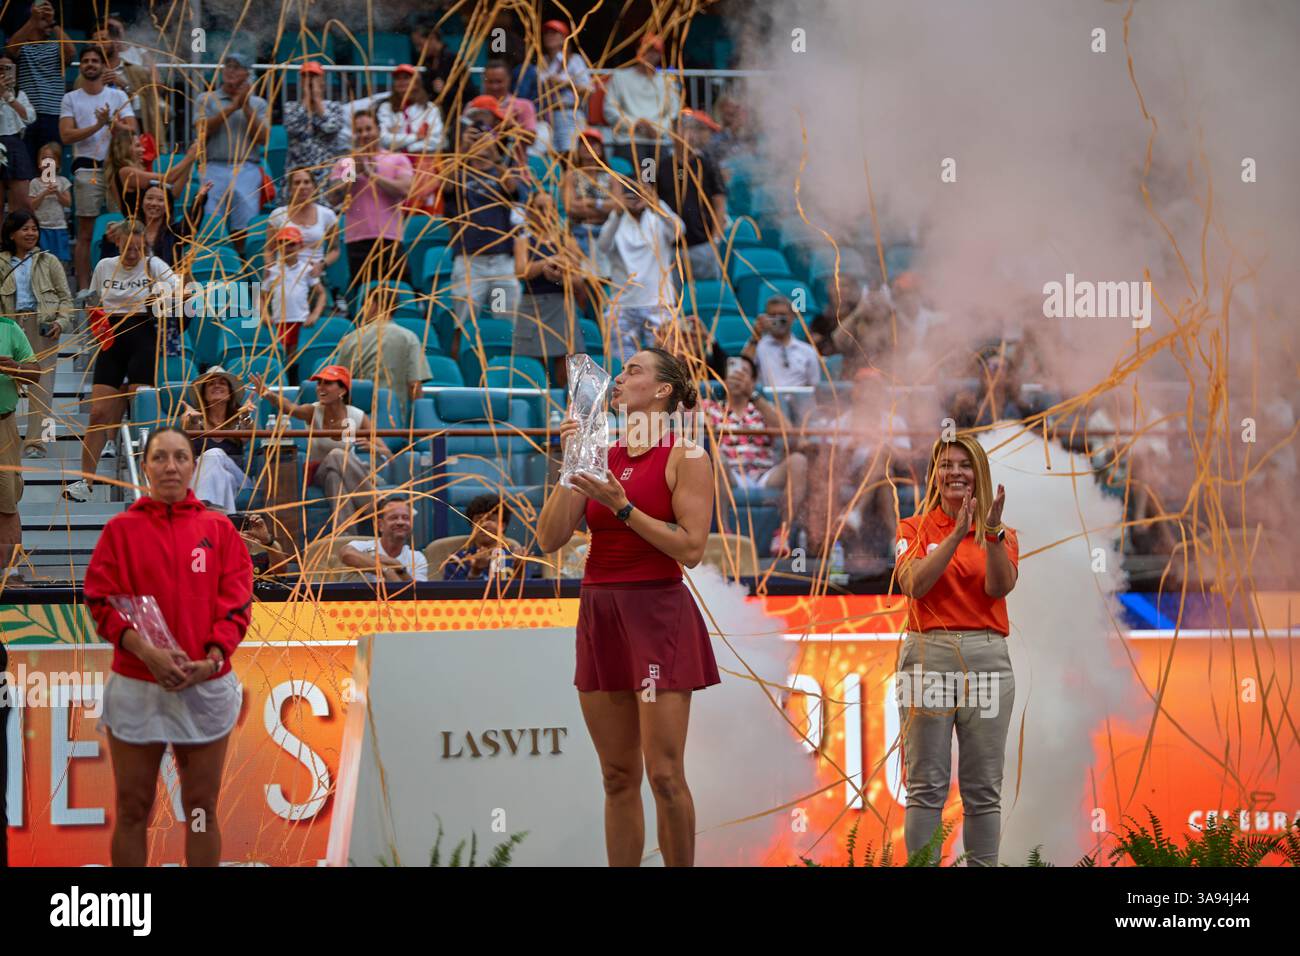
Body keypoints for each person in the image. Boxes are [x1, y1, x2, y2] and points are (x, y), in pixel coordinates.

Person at [536, 347, 717, 867]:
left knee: (664, 774)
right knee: (617, 776)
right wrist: (570, 466)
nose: (619, 378)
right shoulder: (598, 454)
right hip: (601, 611)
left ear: (662, 391)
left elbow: (690, 549)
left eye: (634, 370)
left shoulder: (688, 456)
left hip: (656, 614)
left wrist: (623, 507)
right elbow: (549, 538)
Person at [83, 426, 253, 867]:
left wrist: (212, 660)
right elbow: (101, 602)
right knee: (133, 809)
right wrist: (148, 653)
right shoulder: (121, 531)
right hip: (138, 686)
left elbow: (237, 605)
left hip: (204, 685)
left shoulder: (219, 530)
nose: (171, 466)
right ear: (145, 467)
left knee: (200, 811)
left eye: (180, 457)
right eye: (160, 458)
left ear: (194, 467)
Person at [893, 433, 1018, 867]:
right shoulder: (912, 528)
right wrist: (954, 536)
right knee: (926, 784)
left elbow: (999, 587)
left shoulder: (1000, 532)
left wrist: (991, 533)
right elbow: (912, 584)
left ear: (979, 473)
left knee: (983, 788)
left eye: (964, 464)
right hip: (929, 655)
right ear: (935, 474)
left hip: (986, 657)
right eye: (946, 464)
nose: (955, 472)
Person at [64, 221, 181, 502]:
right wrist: (98, 329)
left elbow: (181, 291)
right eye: (128, 248)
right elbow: (93, 303)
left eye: (138, 249)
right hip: (111, 339)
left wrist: (161, 295)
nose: (132, 254)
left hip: (143, 335)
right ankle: (85, 482)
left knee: (139, 410)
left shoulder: (154, 265)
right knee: (98, 414)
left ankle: (149, 483)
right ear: (118, 242)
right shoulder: (105, 266)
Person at [252, 364, 388, 532]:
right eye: (319, 383)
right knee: (336, 454)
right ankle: (379, 505)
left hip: (347, 473)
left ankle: (345, 538)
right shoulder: (313, 410)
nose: (321, 388)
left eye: (327, 383)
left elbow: (386, 452)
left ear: (342, 391)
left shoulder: (357, 415)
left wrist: (373, 447)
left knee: (335, 480)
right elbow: (288, 407)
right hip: (318, 472)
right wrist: (268, 394)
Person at [440, 95, 525, 360]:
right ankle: (459, 374)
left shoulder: (503, 168)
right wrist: (464, 152)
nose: (479, 138)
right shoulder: (459, 168)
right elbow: (445, 186)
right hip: (469, 262)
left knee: (506, 324)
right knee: (462, 325)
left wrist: (493, 152)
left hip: (501, 261)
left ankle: (507, 374)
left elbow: (514, 190)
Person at [700, 354, 807, 556]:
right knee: (715, 460)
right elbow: (686, 422)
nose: (738, 377)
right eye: (733, 371)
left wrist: (754, 395)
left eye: (744, 373)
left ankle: (782, 535)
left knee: (799, 460)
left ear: (753, 380)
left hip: (765, 474)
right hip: (729, 475)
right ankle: (725, 535)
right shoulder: (710, 406)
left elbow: (789, 435)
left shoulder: (762, 408)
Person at [59, 44, 136, 293]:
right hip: (86, 169)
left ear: (104, 65)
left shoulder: (118, 96)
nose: (90, 64)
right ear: (80, 66)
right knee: (85, 232)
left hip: (117, 169)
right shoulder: (71, 98)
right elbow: (66, 135)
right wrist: (99, 125)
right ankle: (84, 288)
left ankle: (121, 283)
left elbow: (132, 127)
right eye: (86, 61)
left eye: (95, 60)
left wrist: (110, 123)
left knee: (121, 227)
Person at [0, 209, 72, 459]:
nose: (31, 233)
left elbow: (65, 298)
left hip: (42, 327)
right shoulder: (0, 262)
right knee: (6, 383)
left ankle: (35, 444)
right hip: (8, 326)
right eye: (25, 228)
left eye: (34, 228)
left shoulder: (49, 260)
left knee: (41, 386)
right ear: (11, 233)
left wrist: (61, 323)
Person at [597, 176, 684, 363]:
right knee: (624, 365)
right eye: (630, 192)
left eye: (640, 192)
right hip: (624, 305)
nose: (635, 197)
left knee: (663, 365)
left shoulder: (658, 219)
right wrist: (618, 212)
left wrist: (656, 203)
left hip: (658, 303)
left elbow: (680, 230)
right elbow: (603, 245)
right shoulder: (616, 220)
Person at [327, 110, 413, 288]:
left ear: (378, 130)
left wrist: (370, 174)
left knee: (394, 295)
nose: (364, 134)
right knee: (362, 297)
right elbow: (333, 198)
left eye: (368, 129)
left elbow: (405, 190)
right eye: (359, 131)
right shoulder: (346, 163)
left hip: (390, 239)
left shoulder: (397, 158)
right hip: (357, 241)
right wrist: (353, 174)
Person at [194, 53, 269, 254]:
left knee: (243, 225)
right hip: (213, 166)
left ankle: (242, 268)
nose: (230, 70)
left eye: (237, 66)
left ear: (247, 74)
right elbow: (201, 130)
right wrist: (231, 108)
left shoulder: (258, 103)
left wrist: (245, 107)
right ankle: (213, 265)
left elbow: (263, 138)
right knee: (210, 221)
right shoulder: (207, 99)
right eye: (227, 65)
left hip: (247, 168)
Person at [513, 190, 586, 388]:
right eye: (540, 208)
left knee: (566, 374)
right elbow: (521, 271)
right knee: (534, 374)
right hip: (532, 307)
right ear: (530, 212)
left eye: (551, 208)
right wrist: (548, 262)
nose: (546, 213)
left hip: (561, 306)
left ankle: (565, 415)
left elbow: (579, 280)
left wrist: (560, 277)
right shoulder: (523, 240)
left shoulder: (567, 240)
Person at [335, 287, 432, 419]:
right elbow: (414, 385)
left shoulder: (350, 339)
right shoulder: (409, 338)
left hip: (355, 420)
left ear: (374, 305)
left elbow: (339, 383)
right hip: (394, 420)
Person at [657, 109, 727, 282]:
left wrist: (715, 239)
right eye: (682, 128)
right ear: (672, 133)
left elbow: (719, 202)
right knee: (674, 300)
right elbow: (648, 194)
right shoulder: (659, 165)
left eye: (691, 129)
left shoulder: (708, 164)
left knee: (707, 295)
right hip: (671, 247)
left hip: (702, 245)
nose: (687, 134)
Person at [0, 293, 40, 581]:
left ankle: (11, 570)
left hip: (3, 424)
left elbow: (35, 372)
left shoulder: (10, 329)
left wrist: (14, 368)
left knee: (7, 497)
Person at [179, 367, 256, 513]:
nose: (217, 385)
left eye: (222, 383)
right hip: (211, 480)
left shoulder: (239, 420)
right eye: (211, 383)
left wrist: (246, 416)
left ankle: (199, 508)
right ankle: (222, 521)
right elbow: (189, 429)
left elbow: (248, 433)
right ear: (204, 394)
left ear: (229, 394)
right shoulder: (194, 420)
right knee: (222, 477)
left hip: (239, 481)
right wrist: (192, 421)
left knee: (214, 454)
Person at [80, 24, 167, 147]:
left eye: (103, 40)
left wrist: (124, 86)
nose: (98, 45)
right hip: (96, 142)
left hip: (131, 142)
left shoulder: (137, 72)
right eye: (94, 42)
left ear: (116, 42)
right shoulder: (84, 77)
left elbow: (146, 109)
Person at [260, 225, 326, 380]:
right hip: (279, 321)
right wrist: (265, 314)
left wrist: (315, 314)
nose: (287, 248)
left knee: (296, 358)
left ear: (300, 246)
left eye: (291, 244)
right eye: (282, 243)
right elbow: (261, 296)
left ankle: (294, 386)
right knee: (281, 357)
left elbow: (322, 293)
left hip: (300, 320)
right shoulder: (272, 270)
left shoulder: (306, 269)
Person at [604, 34, 680, 168]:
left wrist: (657, 130)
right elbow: (609, 109)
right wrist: (634, 125)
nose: (649, 55)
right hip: (627, 140)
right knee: (633, 181)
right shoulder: (620, 77)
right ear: (638, 51)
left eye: (654, 51)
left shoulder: (667, 81)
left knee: (660, 180)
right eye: (646, 50)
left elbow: (673, 112)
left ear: (660, 55)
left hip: (658, 141)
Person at [7, 0, 70, 161]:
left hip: (53, 115)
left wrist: (52, 21)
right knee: (26, 162)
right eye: (41, 17)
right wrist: (33, 21)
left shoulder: (56, 46)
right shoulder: (23, 46)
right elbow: (11, 49)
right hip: (28, 114)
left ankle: (49, 187)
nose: (44, 20)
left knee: (49, 161)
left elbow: (71, 53)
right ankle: (31, 188)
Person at [101, 127, 201, 219]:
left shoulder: (135, 172)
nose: (143, 150)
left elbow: (174, 193)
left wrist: (190, 161)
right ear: (124, 148)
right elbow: (168, 178)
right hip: (136, 230)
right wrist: (189, 157)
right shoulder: (125, 172)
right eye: (137, 146)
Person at [268, 165, 341, 277]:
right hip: (284, 276)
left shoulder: (327, 215)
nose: (302, 186)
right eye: (297, 183)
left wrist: (322, 264)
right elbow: (269, 251)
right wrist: (272, 271)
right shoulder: (278, 215)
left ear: (313, 187)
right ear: (290, 189)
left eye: (306, 182)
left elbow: (335, 249)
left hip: (314, 277)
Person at [282, 61, 348, 182]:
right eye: (306, 77)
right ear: (301, 82)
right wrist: (306, 100)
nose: (310, 81)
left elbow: (331, 128)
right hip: (297, 175)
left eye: (314, 77)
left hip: (325, 173)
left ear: (322, 81)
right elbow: (295, 129)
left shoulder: (334, 107)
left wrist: (318, 101)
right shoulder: (291, 107)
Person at [340, 495, 429, 584]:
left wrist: (398, 567)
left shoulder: (417, 558)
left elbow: (418, 594)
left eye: (406, 518)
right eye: (394, 518)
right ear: (380, 525)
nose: (400, 522)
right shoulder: (363, 546)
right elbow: (346, 554)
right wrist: (386, 571)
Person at [536, 19, 592, 153]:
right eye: (547, 33)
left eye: (555, 33)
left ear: (564, 38)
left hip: (568, 113)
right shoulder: (542, 61)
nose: (549, 37)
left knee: (570, 154)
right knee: (549, 157)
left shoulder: (574, 60)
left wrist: (563, 83)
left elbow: (587, 90)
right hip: (546, 116)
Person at [743, 294, 821, 389]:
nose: (777, 320)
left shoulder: (807, 351)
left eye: (782, 315)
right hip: (767, 401)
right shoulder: (757, 345)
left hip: (798, 401)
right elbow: (742, 371)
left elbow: (814, 387)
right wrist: (756, 336)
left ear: (792, 317)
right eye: (772, 315)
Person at [561, 128, 613, 268]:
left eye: (593, 144)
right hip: (580, 234)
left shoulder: (610, 177)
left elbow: (618, 207)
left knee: (608, 278)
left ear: (601, 149)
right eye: (583, 144)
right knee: (585, 278)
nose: (588, 147)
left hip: (607, 233)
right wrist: (604, 208)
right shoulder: (570, 175)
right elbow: (570, 208)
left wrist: (591, 202)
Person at [440, 493, 520, 580]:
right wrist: (475, 572)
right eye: (479, 519)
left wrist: (520, 571)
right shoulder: (457, 561)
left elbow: (526, 591)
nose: (484, 525)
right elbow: (452, 592)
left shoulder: (515, 559)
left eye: (491, 519)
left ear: (503, 525)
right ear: (472, 524)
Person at [376, 63, 445, 154]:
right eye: (397, 78)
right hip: (394, 162)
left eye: (406, 78)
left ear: (416, 82)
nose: (401, 81)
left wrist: (407, 148)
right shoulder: (386, 108)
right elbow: (384, 140)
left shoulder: (430, 108)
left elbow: (437, 141)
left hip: (423, 160)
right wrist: (416, 137)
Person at [0, 51, 36, 216]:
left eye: (8, 68)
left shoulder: (20, 94)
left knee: (22, 206)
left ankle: (14, 240)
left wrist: (8, 97)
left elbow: (29, 118)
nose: (3, 72)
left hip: (15, 144)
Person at [28, 140, 71, 264]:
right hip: (41, 227)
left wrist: (57, 192)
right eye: (44, 158)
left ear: (57, 163)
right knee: (42, 259)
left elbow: (68, 203)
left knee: (59, 260)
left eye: (51, 159)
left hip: (59, 226)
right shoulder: (35, 182)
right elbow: (32, 205)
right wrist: (44, 193)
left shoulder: (63, 181)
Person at [654, 313, 728, 383]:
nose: (685, 341)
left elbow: (723, 372)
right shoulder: (656, 369)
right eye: (676, 336)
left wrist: (707, 337)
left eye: (692, 336)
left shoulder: (704, 367)